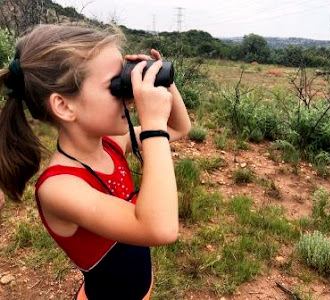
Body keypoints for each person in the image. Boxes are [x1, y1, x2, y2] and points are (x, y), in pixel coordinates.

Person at [0, 24, 191, 299]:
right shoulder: (59, 188)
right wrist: (152, 126)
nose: (130, 94)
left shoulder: (113, 144)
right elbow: (159, 228)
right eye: (116, 85)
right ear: (64, 106)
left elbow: (180, 128)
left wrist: (163, 81)